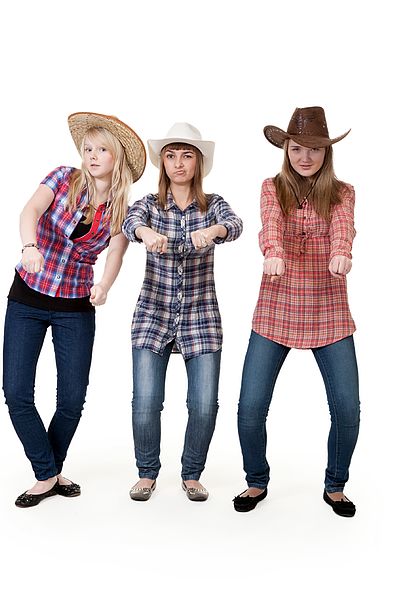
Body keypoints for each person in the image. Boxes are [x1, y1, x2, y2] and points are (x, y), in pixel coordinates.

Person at [3, 112, 146, 507]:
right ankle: (48, 473)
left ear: (117, 158)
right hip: (28, 297)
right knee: (16, 393)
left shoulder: (121, 208)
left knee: (71, 399)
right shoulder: (63, 178)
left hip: (75, 307)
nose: (93, 155)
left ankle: (49, 471)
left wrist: (105, 284)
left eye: (102, 150)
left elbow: (116, 251)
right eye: (88, 148)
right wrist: (29, 247)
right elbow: (29, 211)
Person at [233, 106, 360, 516]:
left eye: (314, 149)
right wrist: (273, 252)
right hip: (276, 308)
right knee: (250, 407)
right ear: (285, 148)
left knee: (347, 407)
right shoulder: (272, 187)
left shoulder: (343, 192)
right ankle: (256, 481)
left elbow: (343, 227)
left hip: (329, 309)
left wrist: (342, 253)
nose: (304, 157)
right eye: (296, 148)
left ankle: (335, 484)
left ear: (327, 153)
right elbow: (269, 224)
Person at [122, 122, 243, 502]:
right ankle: (146, 473)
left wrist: (215, 232)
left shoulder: (213, 204)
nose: (178, 163)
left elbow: (235, 224)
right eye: (171, 156)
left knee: (204, 404)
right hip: (152, 315)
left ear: (199, 162)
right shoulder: (149, 205)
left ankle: (192, 474)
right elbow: (129, 222)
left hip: (201, 317)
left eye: (187, 155)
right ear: (163, 162)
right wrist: (145, 234)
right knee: (146, 402)